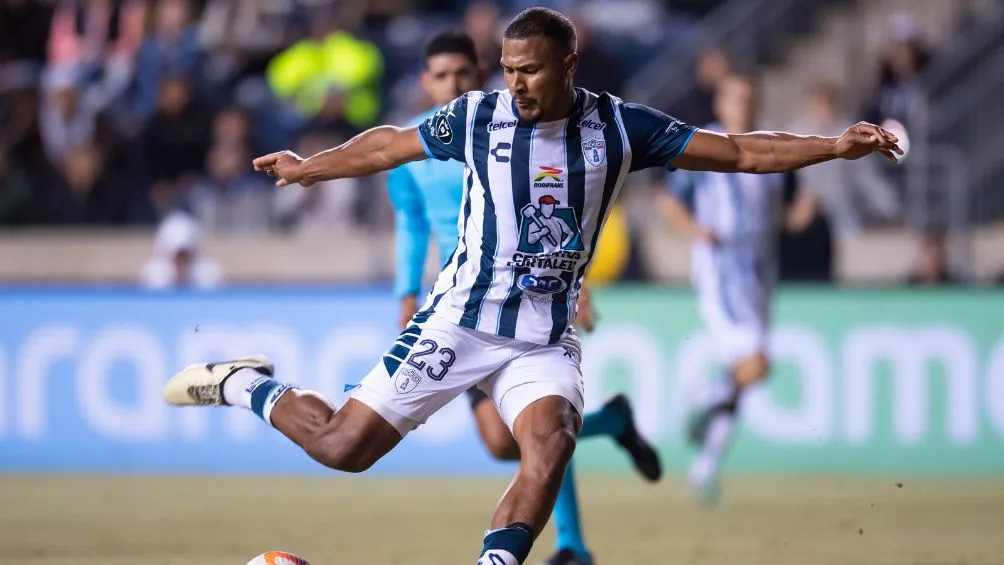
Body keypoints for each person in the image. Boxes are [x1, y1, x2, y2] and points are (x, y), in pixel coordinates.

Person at [163, 8, 902, 565]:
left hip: (542, 337)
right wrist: (308, 164)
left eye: (531, 70)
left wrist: (834, 147)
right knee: (342, 447)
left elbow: (739, 150)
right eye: (509, 68)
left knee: (546, 444)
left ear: (569, 63)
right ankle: (244, 384)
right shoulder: (477, 117)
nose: (516, 83)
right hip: (457, 319)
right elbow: (387, 144)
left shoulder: (620, 128)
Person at [385, 30, 660, 565]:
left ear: (477, 75)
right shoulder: (416, 150)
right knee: (501, 445)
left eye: (462, 74)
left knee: (542, 428)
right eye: (440, 76)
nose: (452, 84)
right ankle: (614, 422)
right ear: (425, 82)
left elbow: (562, 210)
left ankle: (572, 545)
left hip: (527, 296)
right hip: (458, 305)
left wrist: (569, 287)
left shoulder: (510, 131)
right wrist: (404, 294)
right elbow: (411, 227)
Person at [658, 73, 795, 504]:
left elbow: (785, 200)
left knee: (744, 375)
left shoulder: (771, 146)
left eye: (750, 98)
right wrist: (697, 232)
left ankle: (706, 466)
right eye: (736, 99)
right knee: (755, 364)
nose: (745, 107)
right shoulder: (707, 145)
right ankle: (703, 398)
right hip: (722, 268)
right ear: (720, 105)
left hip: (758, 269)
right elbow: (668, 198)